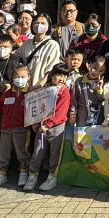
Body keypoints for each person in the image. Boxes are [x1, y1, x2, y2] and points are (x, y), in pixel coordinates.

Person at [25, 63, 71, 192]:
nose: (61, 78)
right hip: (42, 127)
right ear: (52, 75)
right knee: (37, 151)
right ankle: (32, 175)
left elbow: (61, 112)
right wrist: (35, 122)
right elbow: (38, 107)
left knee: (55, 153)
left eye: (64, 76)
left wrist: (48, 124)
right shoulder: (45, 89)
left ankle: (52, 176)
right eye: (58, 75)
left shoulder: (64, 91)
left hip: (56, 127)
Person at [0, 64, 32, 188]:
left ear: (28, 77)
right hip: (6, 128)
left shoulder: (30, 93)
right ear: (12, 78)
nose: (19, 79)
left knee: (22, 152)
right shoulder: (8, 93)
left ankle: (24, 171)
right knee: (3, 152)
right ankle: (1, 173)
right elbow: (0, 108)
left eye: (22, 76)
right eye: (16, 76)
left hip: (22, 129)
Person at [17, 13, 63, 87]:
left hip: (42, 87)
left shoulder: (52, 45)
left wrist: (41, 84)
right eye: (36, 23)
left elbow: (52, 68)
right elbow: (17, 60)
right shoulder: (26, 43)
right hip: (25, 86)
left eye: (43, 23)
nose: (39, 25)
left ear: (48, 26)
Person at [69, 56, 106, 127]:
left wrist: (99, 88)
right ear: (90, 65)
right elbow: (74, 99)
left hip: (97, 117)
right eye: (95, 68)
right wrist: (72, 114)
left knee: (96, 134)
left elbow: (102, 99)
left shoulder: (103, 83)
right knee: (81, 134)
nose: (96, 72)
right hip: (82, 116)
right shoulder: (79, 81)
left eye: (101, 71)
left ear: (104, 72)